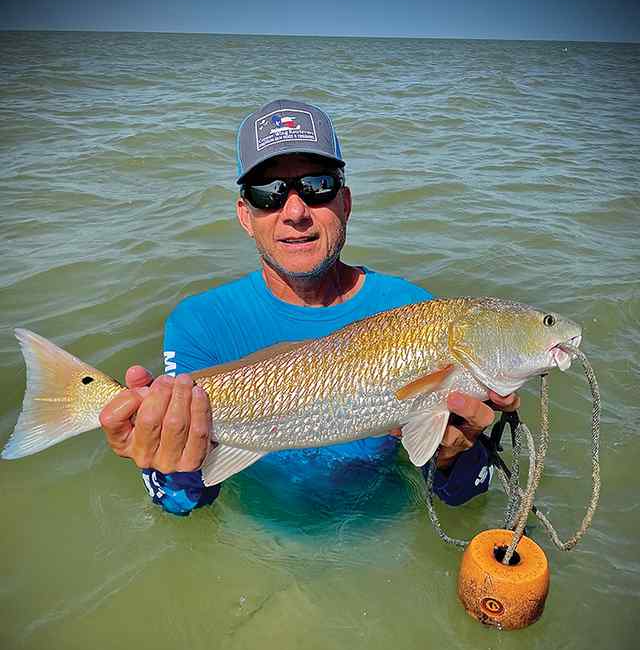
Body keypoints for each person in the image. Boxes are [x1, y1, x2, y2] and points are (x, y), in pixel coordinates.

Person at [99, 99, 518, 516]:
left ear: (346, 203)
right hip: (257, 550)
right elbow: (181, 503)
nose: (295, 212)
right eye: (268, 194)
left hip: (383, 536)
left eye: (318, 186)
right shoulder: (199, 325)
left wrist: (452, 457)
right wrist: (170, 464)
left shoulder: (413, 309)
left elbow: (464, 498)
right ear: (245, 216)